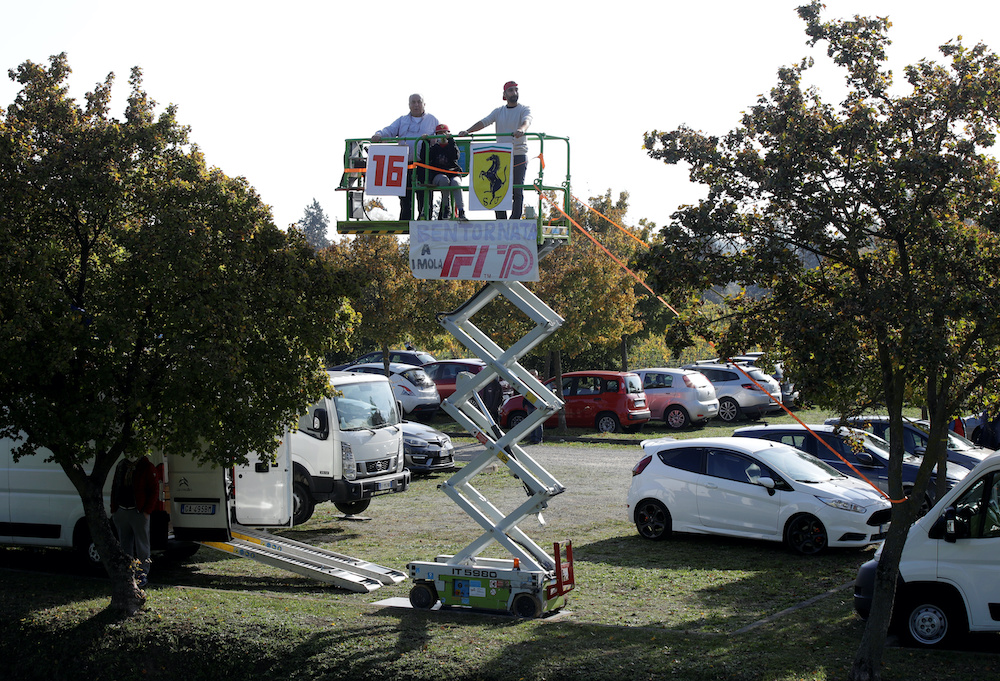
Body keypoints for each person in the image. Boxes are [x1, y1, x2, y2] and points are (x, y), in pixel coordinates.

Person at [458, 81, 532, 219]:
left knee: (517, 188)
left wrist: (521, 130)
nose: (514, 93)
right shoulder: (499, 111)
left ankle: (515, 218)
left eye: (516, 90)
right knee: (499, 188)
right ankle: (501, 219)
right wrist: (468, 131)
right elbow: (485, 121)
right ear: (504, 94)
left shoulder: (524, 109)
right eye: (511, 90)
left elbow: (527, 121)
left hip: (518, 153)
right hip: (502, 154)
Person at [371, 94, 440, 220]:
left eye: (419, 102)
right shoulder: (402, 120)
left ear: (424, 104)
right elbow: (389, 130)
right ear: (409, 105)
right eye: (413, 102)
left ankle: (425, 221)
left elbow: (442, 135)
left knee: (424, 196)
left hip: (424, 164)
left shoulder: (432, 120)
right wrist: (378, 135)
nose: (416, 105)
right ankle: (405, 221)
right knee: (404, 195)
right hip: (404, 164)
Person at [110, 454, 159, 587]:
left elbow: (154, 490)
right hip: (122, 510)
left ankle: (142, 574)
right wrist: (114, 509)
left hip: (138, 512)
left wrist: (146, 512)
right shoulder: (121, 466)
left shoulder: (147, 467)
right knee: (125, 545)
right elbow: (115, 487)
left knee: (142, 545)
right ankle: (128, 573)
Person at [422, 124, 467, 220]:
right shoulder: (435, 148)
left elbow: (455, 156)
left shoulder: (452, 145)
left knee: (456, 183)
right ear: (436, 135)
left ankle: (461, 211)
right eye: (439, 133)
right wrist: (425, 141)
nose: (442, 135)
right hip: (438, 175)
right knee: (444, 180)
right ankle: (446, 208)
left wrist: (451, 140)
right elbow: (424, 156)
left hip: (453, 173)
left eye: (444, 133)